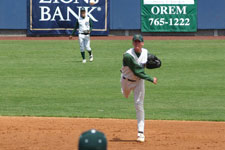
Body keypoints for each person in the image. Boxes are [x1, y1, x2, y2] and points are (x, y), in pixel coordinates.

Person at [120, 34, 157, 142]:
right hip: (126, 81)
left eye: (139, 42)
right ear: (132, 43)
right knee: (125, 95)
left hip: (139, 82)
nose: (137, 43)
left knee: (138, 105)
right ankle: (124, 91)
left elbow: (149, 61)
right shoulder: (127, 55)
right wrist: (151, 78)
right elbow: (137, 71)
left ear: (142, 43)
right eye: (135, 42)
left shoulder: (145, 52)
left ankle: (141, 133)